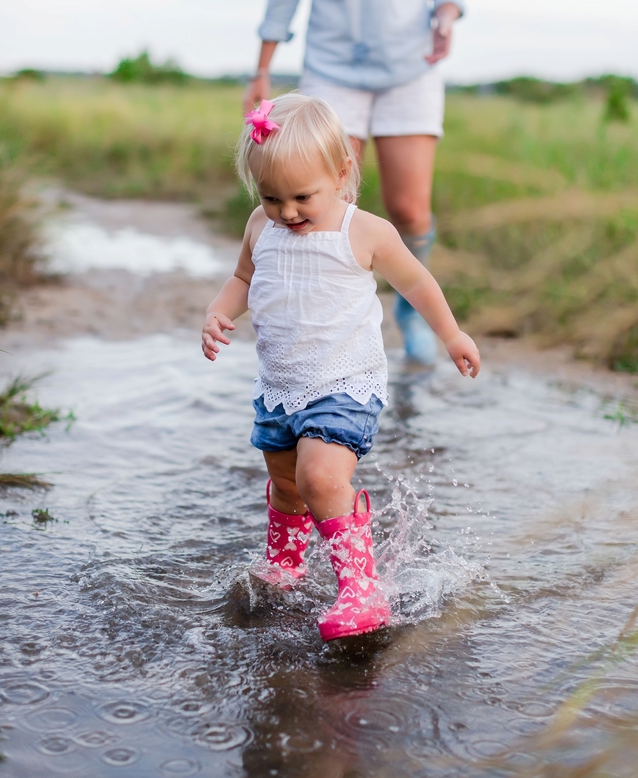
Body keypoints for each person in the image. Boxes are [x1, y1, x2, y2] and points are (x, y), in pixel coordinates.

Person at [201, 94, 480, 641]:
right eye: (272, 196)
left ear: (342, 172)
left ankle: (361, 589)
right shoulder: (262, 225)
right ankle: (286, 563)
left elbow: (417, 282)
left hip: (345, 382)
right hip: (281, 385)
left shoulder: (365, 231)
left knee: (321, 476)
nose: (288, 212)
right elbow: (242, 280)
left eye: (303, 196)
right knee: (287, 485)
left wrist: (451, 334)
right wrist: (217, 311)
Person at [244, 0, 464, 367]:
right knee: (329, 205)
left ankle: (410, 307)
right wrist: (263, 70)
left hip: (408, 70)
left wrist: (445, 17)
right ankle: (326, 327)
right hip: (333, 70)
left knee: (410, 208)